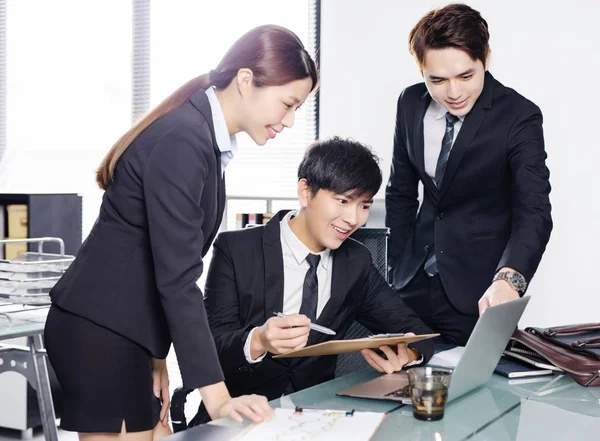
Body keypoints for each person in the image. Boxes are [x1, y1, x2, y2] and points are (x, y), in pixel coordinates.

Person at [44, 24, 318, 441]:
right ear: (246, 81)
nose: (291, 119)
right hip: (101, 329)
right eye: (287, 103)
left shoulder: (203, 138)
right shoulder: (185, 140)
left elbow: (160, 264)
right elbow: (177, 277)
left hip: (127, 331)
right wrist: (219, 398)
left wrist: (157, 359)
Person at [189, 137, 434, 425]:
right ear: (306, 192)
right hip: (240, 417)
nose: (353, 218)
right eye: (343, 201)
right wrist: (258, 340)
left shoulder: (356, 261)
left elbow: (415, 331)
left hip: (315, 420)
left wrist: (408, 354)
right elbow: (209, 347)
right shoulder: (236, 250)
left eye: (364, 205)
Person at [385, 3, 552, 346]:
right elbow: (401, 192)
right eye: (437, 80)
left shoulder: (519, 116)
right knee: (399, 389)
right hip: (410, 287)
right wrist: (396, 265)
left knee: (472, 394)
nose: (454, 92)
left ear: (485, 59)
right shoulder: (410, 103)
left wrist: (510, 280)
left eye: (465, 76)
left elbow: (533, 210)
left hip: (479, 293)